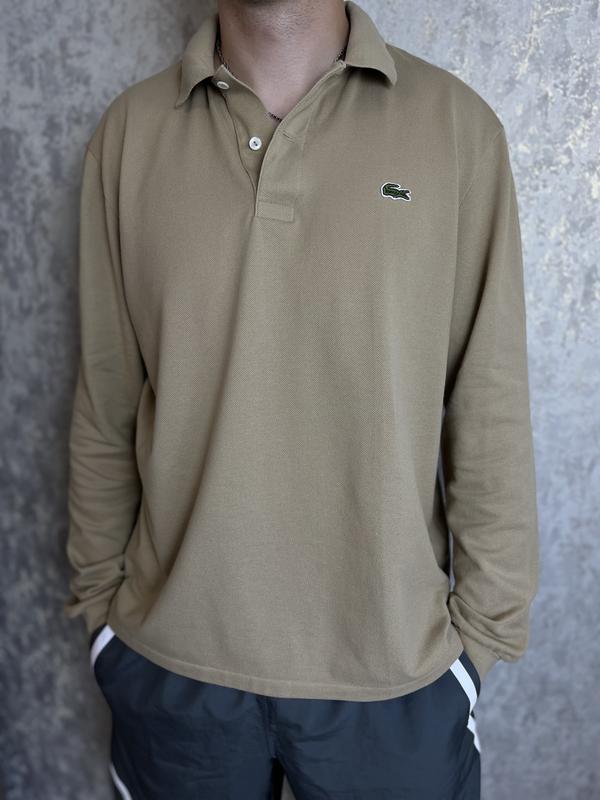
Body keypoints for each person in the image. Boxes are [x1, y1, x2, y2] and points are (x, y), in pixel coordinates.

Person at [63, 1, 540, 797]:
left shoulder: (457, 130)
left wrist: (480, 641)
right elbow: (105, 400)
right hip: (172, 672)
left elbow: (487, 404)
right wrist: (101, 616)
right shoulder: (129, 134)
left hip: (394, 681)